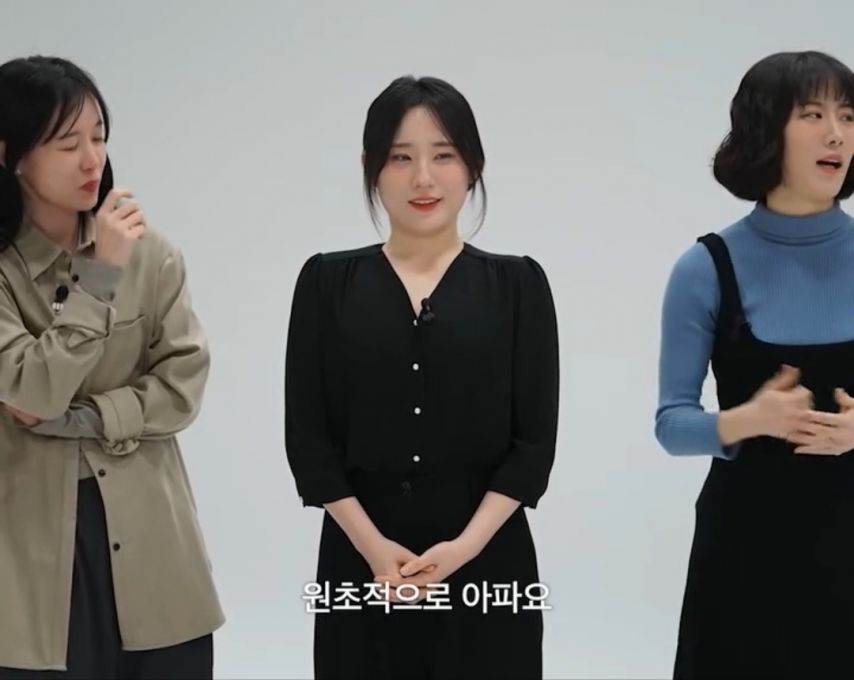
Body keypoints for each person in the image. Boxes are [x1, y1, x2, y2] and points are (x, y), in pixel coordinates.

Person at [285, 75, 559, 680]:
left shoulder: (519, 285)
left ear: (473, 166)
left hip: (489, 564)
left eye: (444, 156)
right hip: (361, 563)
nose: (423, 179)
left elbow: (534, 443)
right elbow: (308, 439)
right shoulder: (327, 284)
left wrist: (461, 551)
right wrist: (374, 550)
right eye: (400, 158)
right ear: (372, 168)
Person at [0, 56, 224, 678]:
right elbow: (32, 388)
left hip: (154, 544)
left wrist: (84, 419)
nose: (91, 160)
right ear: (10, 154)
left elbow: (183, 384)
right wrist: (99, 277)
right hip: (32, 557)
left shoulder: (152, 255)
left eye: (98, 137)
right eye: (67, 143)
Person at [655, 50, 854, 678]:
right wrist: (751, 420)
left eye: (848, 117)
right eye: (813, 114)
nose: (836, 134)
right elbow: (671, 424)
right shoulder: (705, 268)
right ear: (766, 132)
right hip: (744, 552)